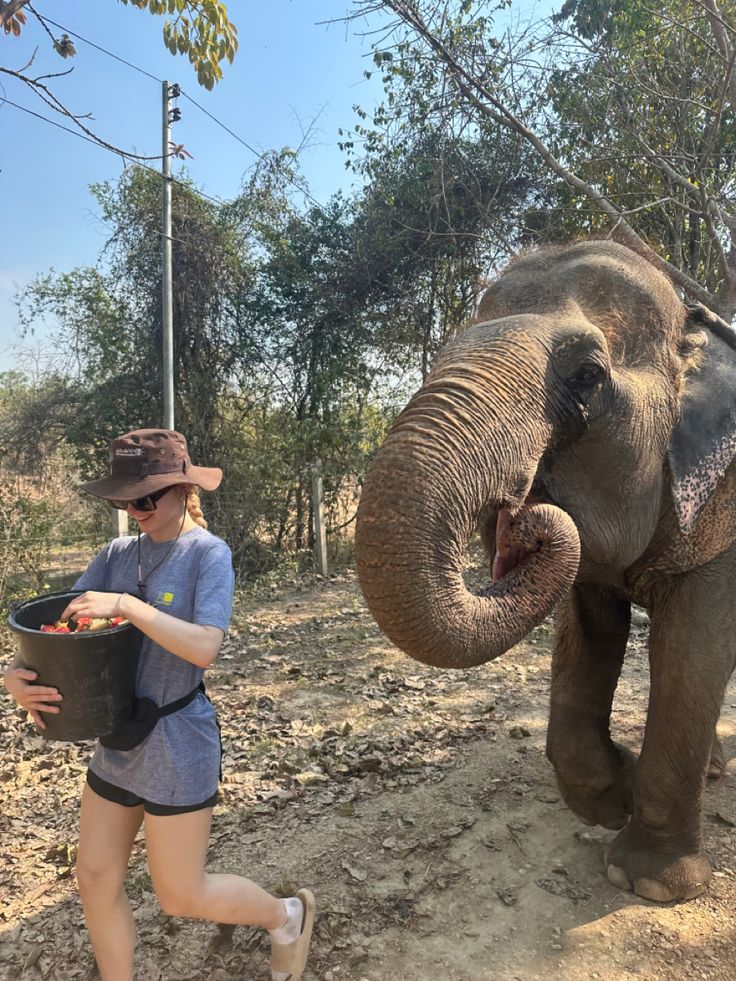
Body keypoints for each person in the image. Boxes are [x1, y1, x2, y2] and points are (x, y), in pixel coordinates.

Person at [3, 429, 315, 981]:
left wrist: (127, 604)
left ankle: (285, 915)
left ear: (181, 489)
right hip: (118, 737)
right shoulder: (117, 554)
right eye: (126, 500)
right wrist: (17, 677)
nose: (135, 510)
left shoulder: (206, 555)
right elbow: (59, 634)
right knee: (95, 880)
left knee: (180, 894)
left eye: (146, 497)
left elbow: (205, 646)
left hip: (176, 739)